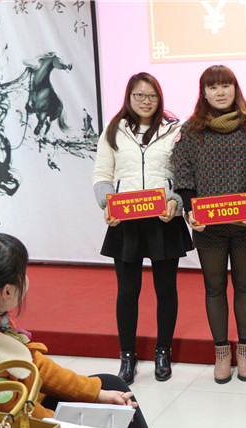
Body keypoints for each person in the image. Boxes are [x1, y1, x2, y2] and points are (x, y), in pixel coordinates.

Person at [0, 234, 157, 428]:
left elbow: (35, 365)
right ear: (7, 292)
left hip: (17, 410)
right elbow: (27, 423)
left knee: (110, 385)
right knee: (112, 417)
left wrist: (97, 394)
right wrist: (90, 427)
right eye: (23, 272)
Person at [92, 72, 192, 385]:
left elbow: (184, 173)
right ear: (129, 97)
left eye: (151, 95)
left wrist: (176, 200)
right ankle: (128, 356)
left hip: (165, 220)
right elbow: (101, 174)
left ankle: (163, 352)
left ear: (159, 98)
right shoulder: (114, 129)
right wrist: (107, 203)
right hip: (126, 221)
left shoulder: (175, 129)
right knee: (127, 291)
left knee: (166, 290)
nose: (146, 101)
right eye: (139, 95)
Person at [174, 65, 246, 384]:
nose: (220, 92)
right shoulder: (190, 130)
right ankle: (222, 352)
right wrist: (190, 211)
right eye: (213, 87)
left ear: (235, 89)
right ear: (204, 93)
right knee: (214, 288)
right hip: (207, 227)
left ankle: (245, 350)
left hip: (245, 224)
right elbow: (182, 174)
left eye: (226, 85)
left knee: (245, 285)